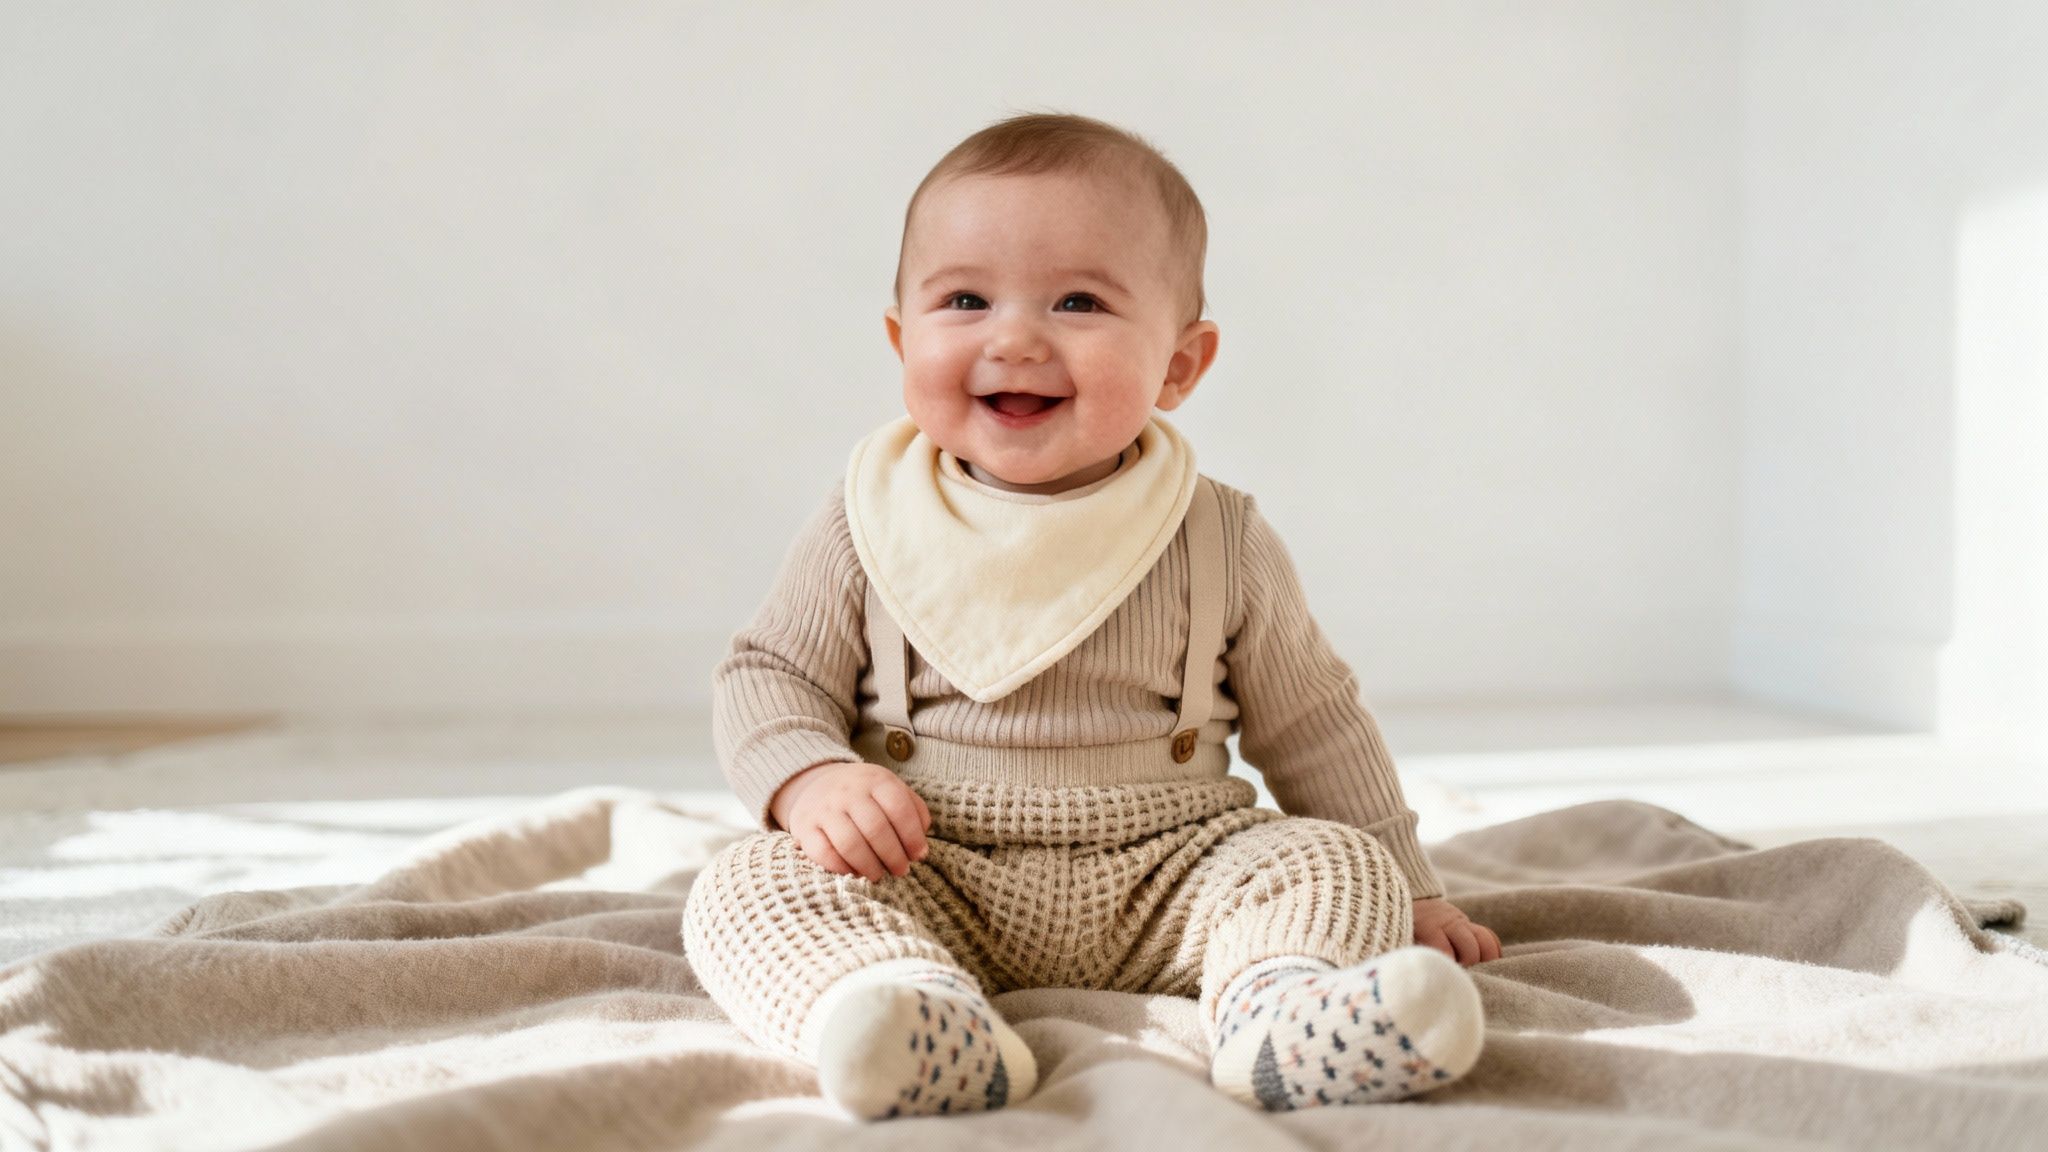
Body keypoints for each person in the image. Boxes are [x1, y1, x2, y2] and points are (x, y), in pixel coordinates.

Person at [682, 111, 1500, 1121]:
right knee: (748, 883)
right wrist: (808, 783)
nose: (1014, 336)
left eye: (1076, 301)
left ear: (1178, 367)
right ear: (902, 339)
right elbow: (768, 676)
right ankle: (902, 1012)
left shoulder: (1216, 535)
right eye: (965, 299)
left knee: (1327, 862)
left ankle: (1282, 1018)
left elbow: (1314, 722)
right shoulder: (866, 520)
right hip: (928, 863)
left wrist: (1409, 886)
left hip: (1172, 875)